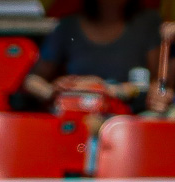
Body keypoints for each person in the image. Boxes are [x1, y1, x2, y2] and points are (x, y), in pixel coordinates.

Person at [23, 0, 160, 107]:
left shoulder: (148, 23)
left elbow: (157, 81)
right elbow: (32, 80)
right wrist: (53, 92)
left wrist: (106, 88)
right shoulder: (68, 26)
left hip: (127, 119)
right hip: (77, 112)